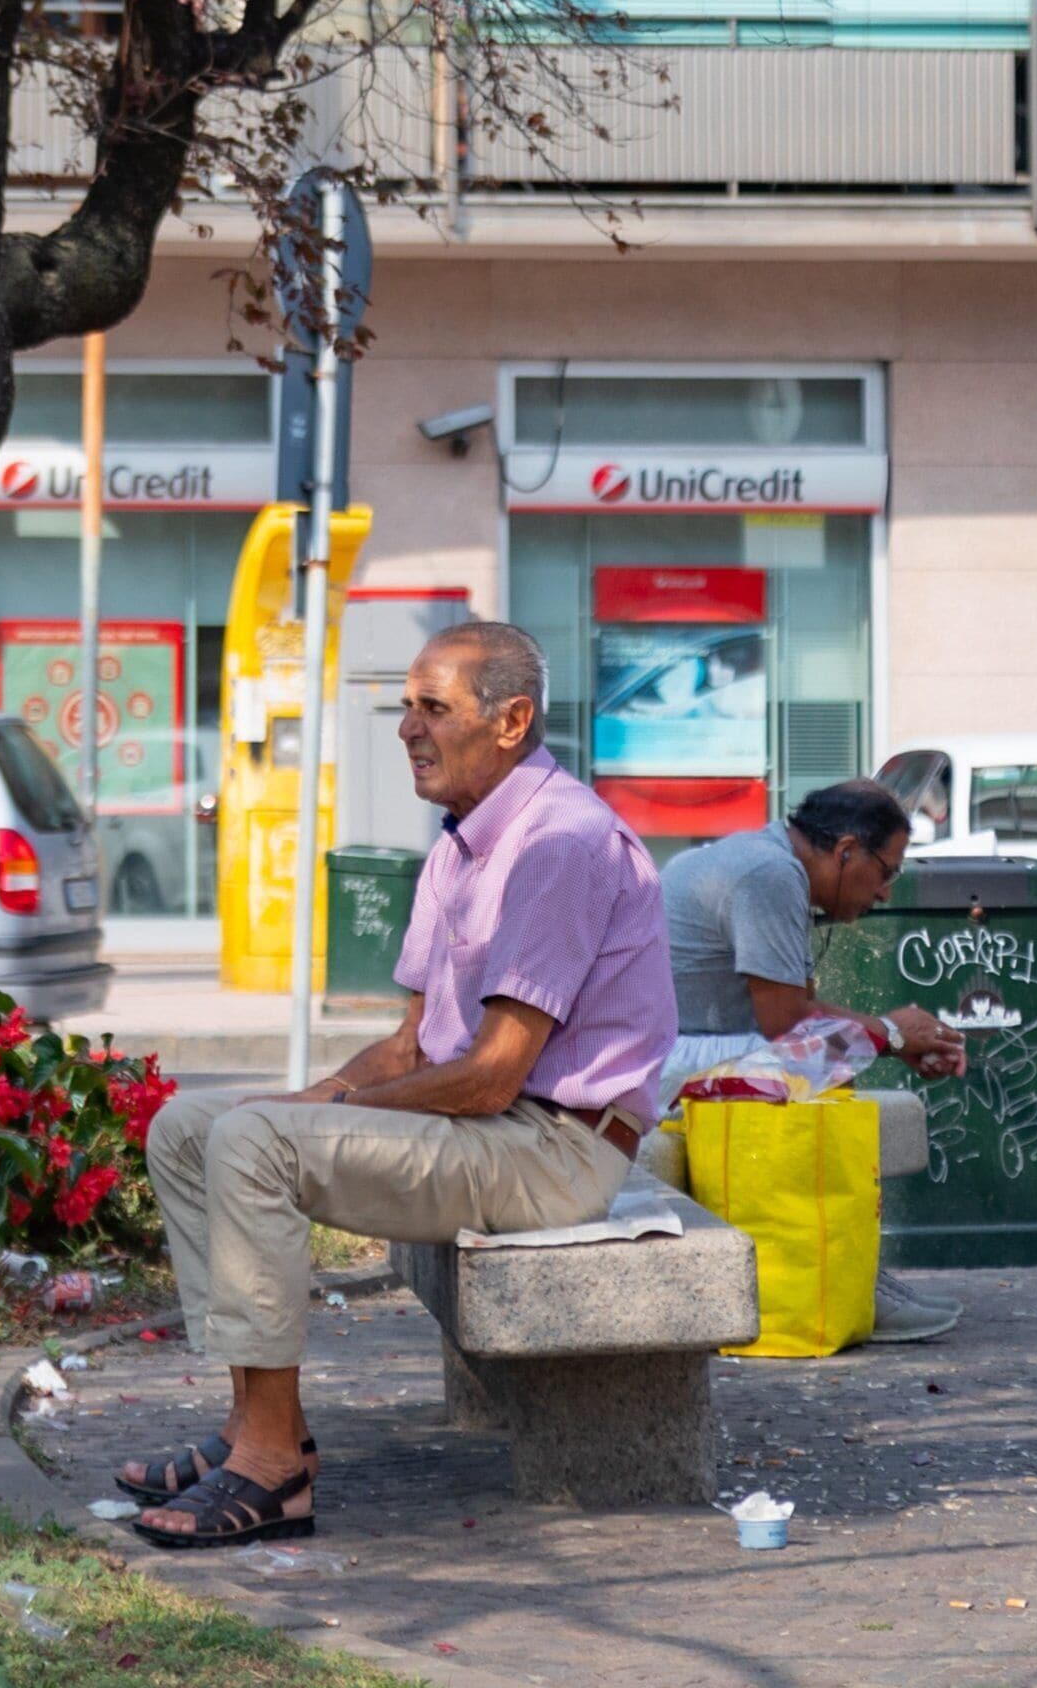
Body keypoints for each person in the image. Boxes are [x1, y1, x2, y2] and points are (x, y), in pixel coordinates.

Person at [116, 621, 674, 1549]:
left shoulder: (558, 842)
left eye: (433, 709)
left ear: (512, 721)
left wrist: (320, 1115)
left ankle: (272, 1471)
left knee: (253, 1145)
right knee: (188, 1125)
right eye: (405, 707)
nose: (408, 728)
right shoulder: (465, 836)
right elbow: (412, 1047)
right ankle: (261, 1427)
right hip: (493, 1130)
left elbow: (494, 1076)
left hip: (556, 1150)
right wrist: (306, 1098)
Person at [659, 777, 968, 1343]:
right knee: (811, 1062)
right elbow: (788, 1027)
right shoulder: (770, 875)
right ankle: (845, 1281)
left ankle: (846, 1271)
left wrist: (892, 1040)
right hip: (656, 1063)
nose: (885, 893)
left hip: (681, 1051)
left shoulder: (772, 864)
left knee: (823, 1056)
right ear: (847, 850)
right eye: (887, 871)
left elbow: (797, 1014)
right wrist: (892, 1035)